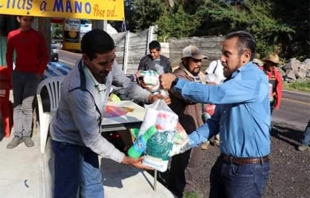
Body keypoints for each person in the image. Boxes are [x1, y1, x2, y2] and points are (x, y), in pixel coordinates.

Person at [49, 29, 169, 198]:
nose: (109, 67)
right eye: (103, 63)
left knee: (93, 188)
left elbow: (126, 85)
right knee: (68, 190)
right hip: (67, 141)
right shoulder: (78, 90)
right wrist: (124, 158)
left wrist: (150, 97)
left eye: (112, 60)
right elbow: (91, 139)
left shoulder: (108, 63)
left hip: (89, 138)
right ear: (86, 59)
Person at [160, 30, 271, 198]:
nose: (221, 59)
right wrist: (186, 142)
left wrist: (176, 83)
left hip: (247, 170)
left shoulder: (252, 78)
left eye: (227, 54)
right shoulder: (233, 82)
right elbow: (216, 122)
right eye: (222, 53)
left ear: (245, 56)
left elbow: (215, 94)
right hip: (225, 163)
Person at [167, 45, 207, 198]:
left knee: (193, 163)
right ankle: (174, 192)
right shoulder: (177, 77)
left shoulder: (194, 76)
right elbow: (190, 97)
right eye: (195, 60)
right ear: (184, 60)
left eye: (200, 61)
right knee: (181, 163)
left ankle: (187, 190)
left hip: (195, 126)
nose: (198, 64)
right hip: (182, 129)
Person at [6, 16, 48, 149]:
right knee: (17, 105)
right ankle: (17, 135)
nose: (28, 22)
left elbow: (45, 55)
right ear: (18, 19)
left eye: (30, 20)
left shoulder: (37, 36)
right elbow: (8, 54)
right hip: (18, 73)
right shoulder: (12, 35)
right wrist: (10, 72)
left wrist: (39, 72)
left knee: (27, 106)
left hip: (32, 75)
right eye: (25, 19)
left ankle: (26, 135)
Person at [201, 59, 226, 149]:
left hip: (222, 96)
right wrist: (209, 84)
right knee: (207, 116)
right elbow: (207, 76)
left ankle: (217, 138)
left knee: (220, 116)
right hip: (212, 95)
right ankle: (206, 139)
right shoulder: (215, 63)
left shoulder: (229, 66)